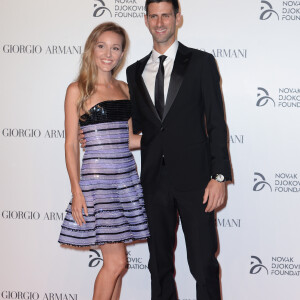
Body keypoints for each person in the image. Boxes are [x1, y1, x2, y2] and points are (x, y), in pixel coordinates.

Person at [81, 1, 232, 298]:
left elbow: (216, 123)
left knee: (203, 264)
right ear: (147, 20)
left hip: (197, 182)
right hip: (153, 184)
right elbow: (138, 131)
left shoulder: (201, 62)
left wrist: (219, 175)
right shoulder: (135, 73)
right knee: (159, 266)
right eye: (154, 16)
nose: (160, 22)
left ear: (178, 18)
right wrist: (97, 136)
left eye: (166, 15)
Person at [58, 22, 150, 300]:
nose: (108, 54)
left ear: (122, 53)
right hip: (98, 183)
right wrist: (77, 191)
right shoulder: (78, 89)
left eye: (115, 48)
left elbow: (132, 139)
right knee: (117, 262)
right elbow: (72, 143)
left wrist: (169, 139)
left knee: (118, 267)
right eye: (102, 46)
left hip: (126, 180)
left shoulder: (125, 88)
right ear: (91, 49)